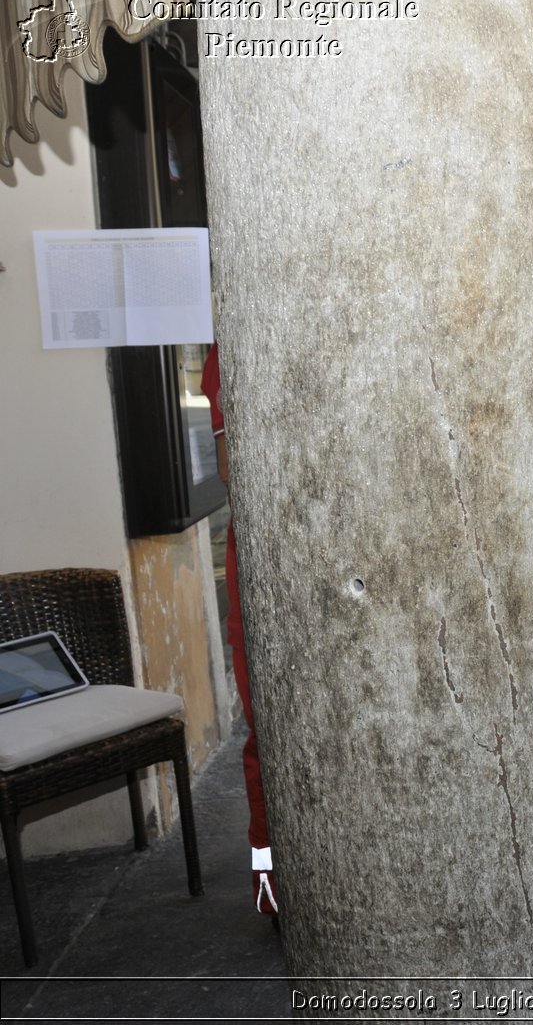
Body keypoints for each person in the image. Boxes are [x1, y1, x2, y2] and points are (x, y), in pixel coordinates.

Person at [201, 345, 277, 920]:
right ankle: (275, 887)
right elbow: (235, 467)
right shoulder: (235, 341)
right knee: (271, 733)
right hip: (270, 553)